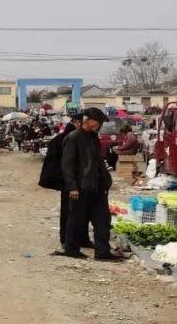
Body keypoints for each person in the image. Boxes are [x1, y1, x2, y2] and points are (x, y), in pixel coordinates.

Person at [62, 108, 122, 262]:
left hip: (97, 186)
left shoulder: (94, 138)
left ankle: (102, 251)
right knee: (76, 219)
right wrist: (72, 186)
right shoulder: (73, 138)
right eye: (98, 122)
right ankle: (71, 248)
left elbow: (97, 161)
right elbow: (68, 165)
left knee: (102, 220)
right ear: (88, 120)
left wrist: (106, 179)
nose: (100, 126)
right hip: (81, 187)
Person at [39, 112, 92, 255]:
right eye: (82, 122)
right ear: (76, 122)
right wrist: (69, 183)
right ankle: (67, 241)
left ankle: (80, 239)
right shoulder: (68, 138)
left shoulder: (81, 136)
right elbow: (66, 164)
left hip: (77, 182)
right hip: (69, 183)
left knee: (81, 213)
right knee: (69, 213)